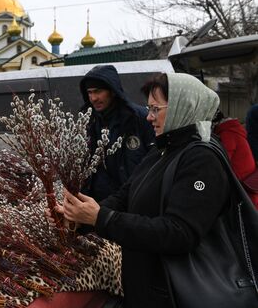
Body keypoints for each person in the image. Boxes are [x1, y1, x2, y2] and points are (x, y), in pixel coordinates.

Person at [57, 73, 231, 308]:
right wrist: (79, 216)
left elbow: (179, 233)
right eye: (149, 109)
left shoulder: (201, 160)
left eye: (156, 109)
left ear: (184, 106)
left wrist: (102, 218)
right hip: (147, 287)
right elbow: (125, 196)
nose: (149, 117)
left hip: (176, 294)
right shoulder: (163, 150)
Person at [78, 65, 155, 201]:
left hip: (132, 202)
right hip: (94, 206)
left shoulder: (140, 119)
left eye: (98, 91)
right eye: (89, 92)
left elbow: (154, 163)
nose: (93, 98)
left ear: (113, 91)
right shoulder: (87, 122)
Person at [212, 110, 256, 180]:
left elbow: (222, 161)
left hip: (242, 180)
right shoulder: (233, 129)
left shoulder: (227, 134)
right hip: (249, 174)